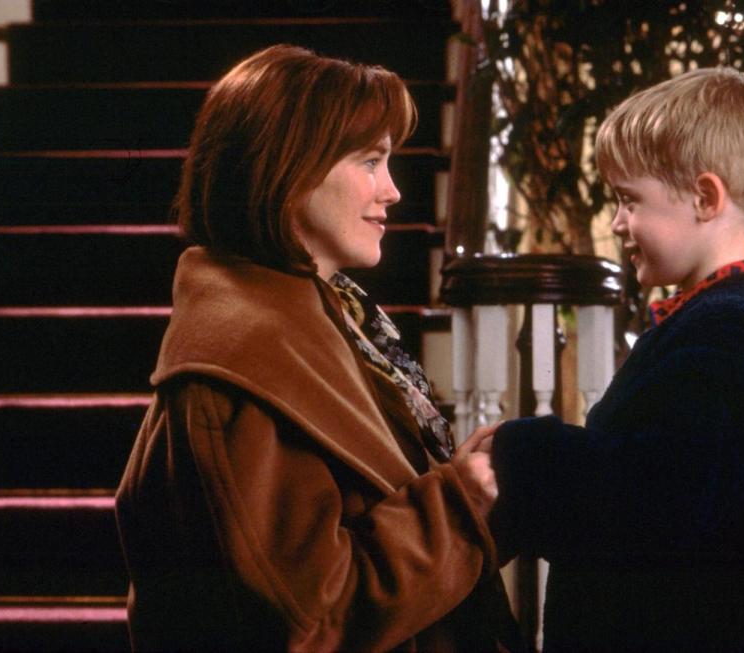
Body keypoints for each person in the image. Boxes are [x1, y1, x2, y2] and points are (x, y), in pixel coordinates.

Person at [115, 44, 520, 652]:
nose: (393, 192)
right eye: (370, 161)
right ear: (289, 169)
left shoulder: (336, 318)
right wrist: (461, 502)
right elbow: (312, 616)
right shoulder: (240, 367)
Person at [489, 67, 744, 652]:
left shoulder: (728, 332)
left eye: (629, 200)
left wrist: (520, 447)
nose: (617, 222)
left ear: (705, 198)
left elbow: (648, 507)